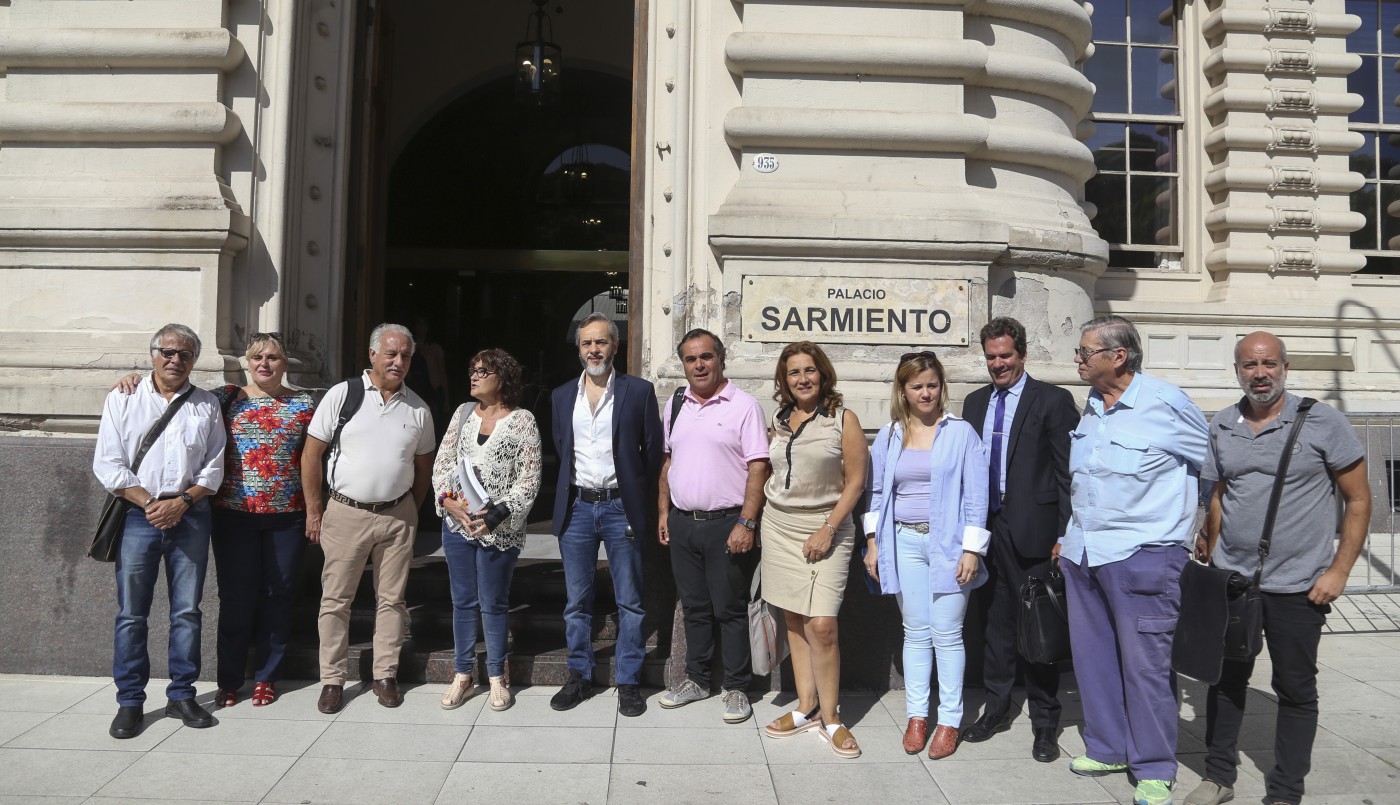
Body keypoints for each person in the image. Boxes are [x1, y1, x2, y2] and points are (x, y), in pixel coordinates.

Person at [1184, 332, 1370, 805]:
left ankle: (1286, 790)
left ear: (1285, 367)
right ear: (1238, 370)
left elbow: (1359, 499)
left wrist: (1339, 572)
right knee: (1225, 681)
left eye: (1268, 364)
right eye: (1249, 365)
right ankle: (1218, 776)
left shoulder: (1323, 422)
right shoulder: (1223, 423)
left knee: (1295, 688)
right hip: (1234, 580)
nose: (1259, 373)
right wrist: (1209, 535)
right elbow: (1221, 489)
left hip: (1300, 585)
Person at [113, 332, 316, 708]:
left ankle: (267, 676)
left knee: (278, 597)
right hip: (233, 517)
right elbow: (172, 382)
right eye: (257, 358)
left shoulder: (305, 404)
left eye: (272, 358)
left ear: (285, 363)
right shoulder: (225, 398)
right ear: (246, 363)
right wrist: (133, 378)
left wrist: (315, 511)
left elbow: (315, 459)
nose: (264, 364)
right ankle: (229, 680)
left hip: (287, 516)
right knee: (235, 599)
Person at [1061, 315, 1207, 805]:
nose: (1077, 360)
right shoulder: (1092, 406)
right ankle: (1108, 747)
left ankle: (1154, 766)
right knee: (1094, 660)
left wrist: (1199, 529)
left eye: (1085, 352)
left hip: (1144, 554)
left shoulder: (1165, 403)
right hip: (1085, 553)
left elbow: (1215, 466)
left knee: (1146, 667)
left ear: (1117, 356)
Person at [94, 323, 226, 738]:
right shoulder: (123, 397)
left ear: (194, 361)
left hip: (190, 513)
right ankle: (130, 702)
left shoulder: (206, 404)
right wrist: (153, 505)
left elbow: (215, 465)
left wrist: (183, 502)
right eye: (168, 352)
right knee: (132, 614)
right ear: (153, 354)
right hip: (139, 514)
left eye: (185, 355)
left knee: (187, 611)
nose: (176, 360)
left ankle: (181, 695)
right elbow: (109, 464)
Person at [301, 323, 436, 714]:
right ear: (373, 354)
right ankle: (332, 680)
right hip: (346, 513)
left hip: (397, 517)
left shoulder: (419, 408)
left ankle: (385, 675)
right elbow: (311, 455)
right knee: (335, 600)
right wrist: (315, 510)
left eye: (406, 356)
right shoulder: (343, 395)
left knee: (393, 601)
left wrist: (409, 508)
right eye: (391, 354)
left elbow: (422, 468)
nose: (398, 362)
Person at [960, 317, 1078, 761]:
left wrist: (1067, 533)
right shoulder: (974, 404)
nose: (998, 364)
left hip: (1036, 530)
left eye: (1005, 355)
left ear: (1022, 355)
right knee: (995, 624)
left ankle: (1046, 723)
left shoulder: (1052, 400)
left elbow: (1069, 473)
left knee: (1038, 628)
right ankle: (996, 708)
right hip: (987, 529)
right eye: (991, 357)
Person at [864, 350, 989, 760]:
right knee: (915, 632)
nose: (925, 393)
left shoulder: (961, 433)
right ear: (903, 389)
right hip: (902, 543)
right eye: (916, 386)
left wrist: (973, 549)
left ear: (942, 387)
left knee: (948, 633)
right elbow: (878, 492)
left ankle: (949, 720)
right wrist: (873, 544)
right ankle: (918, 716)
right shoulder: (889, 435)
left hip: (949, 544)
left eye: (932, 385)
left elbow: (977, 497)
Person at [547, 314, 663, 717]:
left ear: (615, 346)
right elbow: (563, 449)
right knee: (576, 602)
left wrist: (637, 500)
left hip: (620, 507)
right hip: (577, 508)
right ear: (578, 350)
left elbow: (652, 453)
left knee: (630, 601)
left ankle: (628, 681)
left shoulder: (639, 392)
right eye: (586, 344)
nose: (593, 350)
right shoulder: (562, 396)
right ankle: (579, 675)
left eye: (601, 342)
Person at [759, 342, 868, 758]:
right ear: (784, 381)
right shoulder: (780, 419)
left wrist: (827, 529)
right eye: (793, 373)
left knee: (822, 624)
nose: (802, 379)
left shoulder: (844, 419)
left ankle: (832, 716)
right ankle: (806, 708)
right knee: (792, 615)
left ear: (822, 374)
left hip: (829, 528)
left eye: (809, 370)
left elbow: (855, 482)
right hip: (780, 527)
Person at [657, 328, 770, 724]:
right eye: (691, 359)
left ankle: (738, 687)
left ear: (721, 360)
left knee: (730, 609)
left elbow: (758, 468)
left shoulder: (744, 406)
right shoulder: (675, 403)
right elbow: (668, 464)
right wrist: (663, 513)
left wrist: (747, 522)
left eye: (706, 357)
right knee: (694, 608)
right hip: (684, 522)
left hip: (728, 523)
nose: (699, 365)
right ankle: (696, 680)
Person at [432, 348, 542, 713]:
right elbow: (443, 464)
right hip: (457, 524)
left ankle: (496, 675)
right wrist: (447, 500)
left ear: (503, 378)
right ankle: (463, 673)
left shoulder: (523, 420)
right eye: (472, 369)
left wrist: (498, 514)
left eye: (484, 371)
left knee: (493, 603)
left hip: (498, 528)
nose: (475, 376)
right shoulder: (462, 413)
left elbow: (530, 478)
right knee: (462, 601)